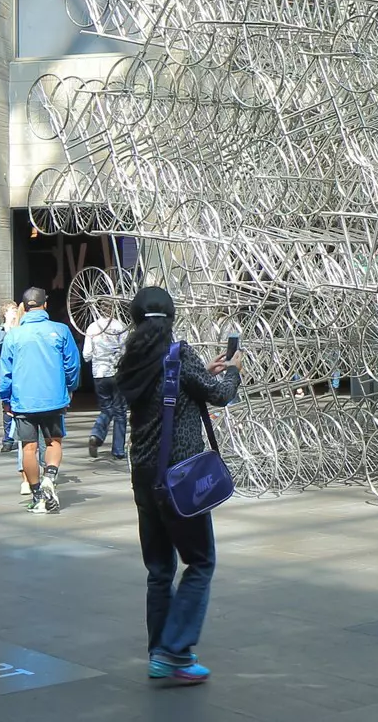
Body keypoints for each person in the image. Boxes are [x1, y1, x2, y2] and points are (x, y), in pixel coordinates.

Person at [116, 285, 241, 686]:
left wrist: (204, 371)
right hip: (179, 477)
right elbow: (220, 396)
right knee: (201, 561)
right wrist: (233, 369)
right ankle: (175, 651)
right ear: (171, 317)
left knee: (159, 569)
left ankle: (159, 651)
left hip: (144, 477)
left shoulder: (132, 360)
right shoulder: (178, 354)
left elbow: (167, 391)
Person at [0, 287, 80, 514]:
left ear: (24, 306)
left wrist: (5, 399)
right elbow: (73, 365)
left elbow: (5, 372)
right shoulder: (61, 330)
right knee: (54, 441)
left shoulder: (13, 335)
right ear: (45, 304)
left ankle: (36, 494)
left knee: (29, 448)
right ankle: (49, 479)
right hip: (53, 398)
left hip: (23, 400)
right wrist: (70, 387)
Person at [85, 308, 132, 460]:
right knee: (120, 412)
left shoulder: (92, 327)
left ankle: (97, 434)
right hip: (117, 373)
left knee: (106, 408)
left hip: (99, 373)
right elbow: (126, 350)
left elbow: (86, 354)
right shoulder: (120, 326)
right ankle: (118, 450)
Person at [0, 302, 21, 456]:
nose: (15, 312)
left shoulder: (21, 328)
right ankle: (7, 439)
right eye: (12, 310)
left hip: (18, 370)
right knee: (6, 404)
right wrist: (8, 327)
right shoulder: (0, 330)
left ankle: (19, 435)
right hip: (3, 370)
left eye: (16, 309)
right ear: (5, 313)